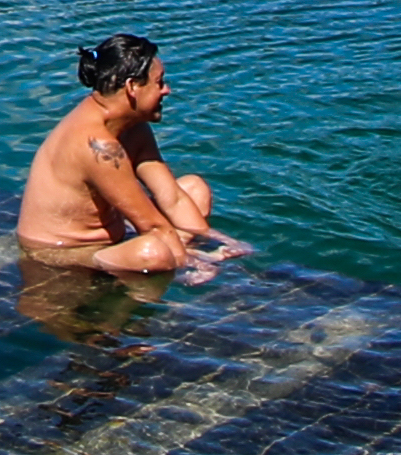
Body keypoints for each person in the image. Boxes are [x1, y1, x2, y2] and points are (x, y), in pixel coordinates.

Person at [19, 32, 242, 278]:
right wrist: (203, 263)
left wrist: (223, 241)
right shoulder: (97, 147)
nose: (166, 90)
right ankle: (168, 264)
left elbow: (172, 197)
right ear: (133, 87)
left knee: (194, 189)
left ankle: (180, 253)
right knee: (152, 251)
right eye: (159, 82)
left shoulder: (134, 127)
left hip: (115, 236)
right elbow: (152, 227)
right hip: (59, 254)